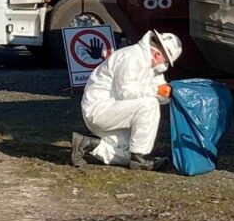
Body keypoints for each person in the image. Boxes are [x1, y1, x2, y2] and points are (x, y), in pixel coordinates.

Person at [71, 30, 182, 170]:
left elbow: (159, 91)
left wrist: (169, 94)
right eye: (166, 61)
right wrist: (156, 91)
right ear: (158, 54)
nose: (165, 65)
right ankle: (140, 158)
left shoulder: (151, 66)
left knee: (128, 152)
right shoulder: (131, 57)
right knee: (149, 105)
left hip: (116, 111)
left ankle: (87, 143)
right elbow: (126, 92)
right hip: (99, 109)